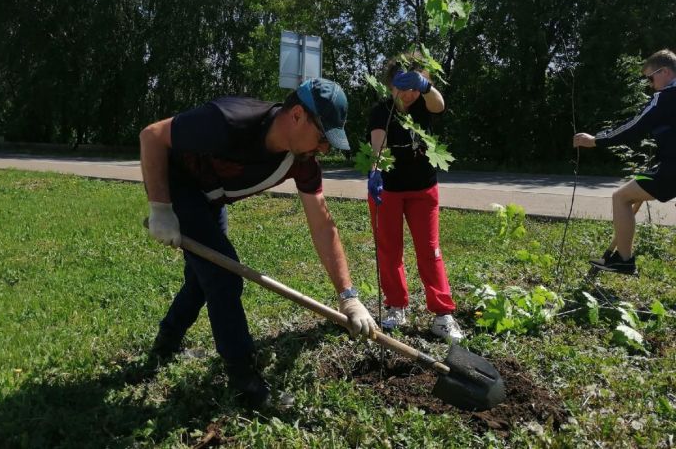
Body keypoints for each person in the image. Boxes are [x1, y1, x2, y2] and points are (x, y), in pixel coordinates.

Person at [140, 78, 377, 407]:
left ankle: (165, 345)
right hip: (180, 188)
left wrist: (347, 296)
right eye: (323, 137)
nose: (324, 148)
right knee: (223, 276)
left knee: (203, 276)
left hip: (211, 198)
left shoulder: (301, 161)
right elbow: (152, 136)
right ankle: (245, 382)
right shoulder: (228, 120)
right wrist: (161, 208)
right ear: (297, 115)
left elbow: (323, 225)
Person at [366, 54, 463, 342]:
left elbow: (440, 105)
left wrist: (426, 87)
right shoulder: (380, 111)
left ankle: (442, 314)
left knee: (430, 250)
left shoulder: (423, 104)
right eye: (401, 87)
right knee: (389, 250)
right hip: (389, 191)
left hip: (423, 189)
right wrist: (375, 172)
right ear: (390, 85)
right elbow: (378, 147)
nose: (408, 94)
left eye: (413, 87)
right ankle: (396, 306)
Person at [573, 49, 676, 275]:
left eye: (650, 77)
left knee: (621, 197)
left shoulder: (666, 97)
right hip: (668, 165)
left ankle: (624, 260)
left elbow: (635, 126)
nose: (649, 84)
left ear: (665, 72)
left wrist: (597, 140)